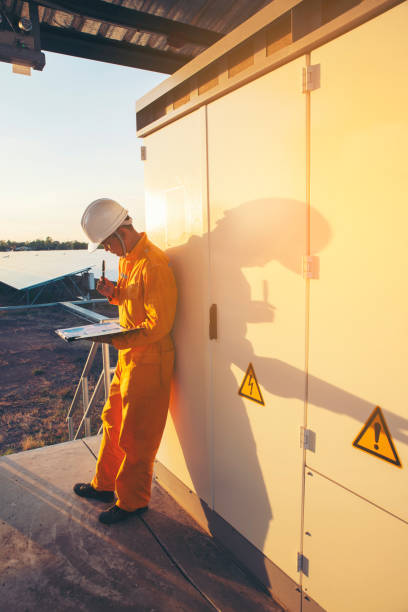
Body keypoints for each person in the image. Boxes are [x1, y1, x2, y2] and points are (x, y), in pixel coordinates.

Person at [74, 198, 177, 524]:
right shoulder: (130, 261)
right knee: (112, 420)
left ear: (121, 232)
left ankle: (133, 502)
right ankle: (103, 485)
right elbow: (136, 301)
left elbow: (158, 326)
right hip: (130, 356)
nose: (107, 250)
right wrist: (114, 293)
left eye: (106, 243)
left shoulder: (154, 264)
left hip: (150, 361)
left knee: (137, 435)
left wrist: (112, 338)